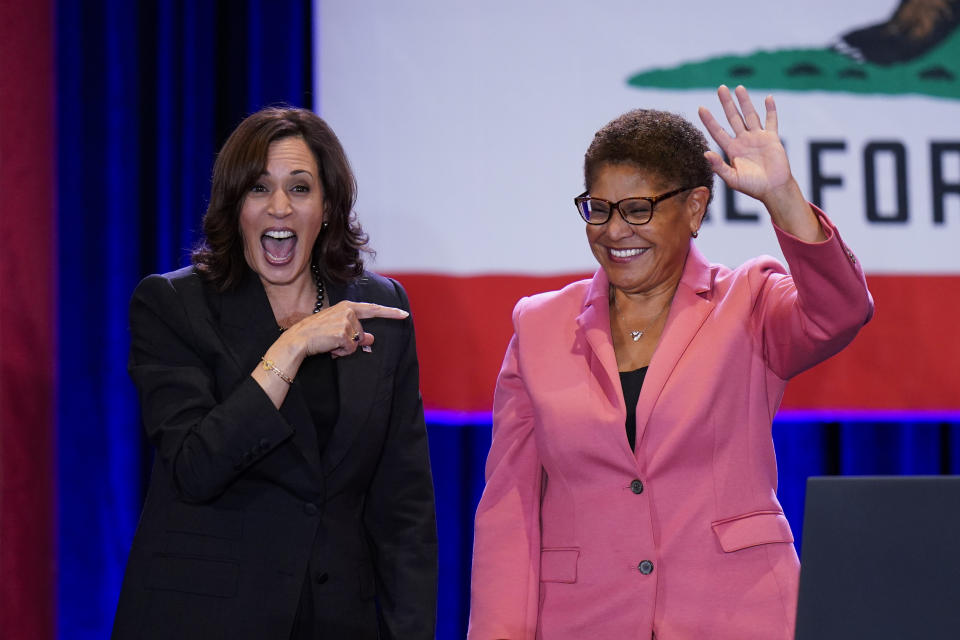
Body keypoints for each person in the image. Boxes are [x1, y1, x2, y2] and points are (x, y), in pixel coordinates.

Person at [468, 85, 873, 639]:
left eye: (637, 210)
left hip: (738, 616)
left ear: (695, 207)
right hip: (587, 621)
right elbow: (509, 512)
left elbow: (841, 312)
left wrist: (783, 197)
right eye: (598, 209)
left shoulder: (748, 300)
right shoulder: (538, 325)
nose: (614, 231)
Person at [113, 107, 437, 639]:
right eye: (259, 188)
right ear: (235, 205)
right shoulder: (173, 305)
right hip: (206, 619)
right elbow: (196, 467)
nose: (279, 207)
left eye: (300, 188)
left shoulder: (380, 305)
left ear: (328, 207)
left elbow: (404, 507)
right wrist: (293, 346)